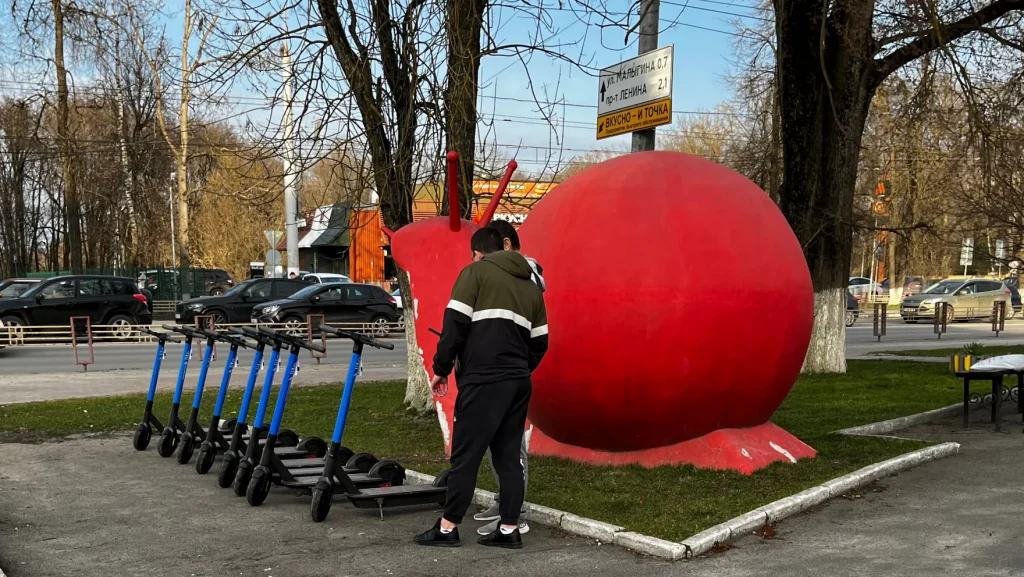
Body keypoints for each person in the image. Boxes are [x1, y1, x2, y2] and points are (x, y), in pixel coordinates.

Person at [414, 227, 548, 549]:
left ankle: (447, 528)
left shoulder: (475, 273)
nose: (473, 259)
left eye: (474, 254)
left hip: (483, 380)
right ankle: (509, 529)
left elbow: (454, 326)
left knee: (466, 456)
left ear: (481, 252)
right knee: (507, 457)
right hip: (518, 382)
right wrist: (517, 369)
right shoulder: (532, 288)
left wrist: (441, 368)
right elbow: (541, 343)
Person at [471, 219, 545, 537]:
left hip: (510, 370)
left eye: (483, 255)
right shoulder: (496, 274)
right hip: (491, 370)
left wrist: (519, 367)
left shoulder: (525, 273)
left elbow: (536, 335)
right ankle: (505, 500)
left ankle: (516, 511)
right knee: (494, 443)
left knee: (512, 447)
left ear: (504, 245)